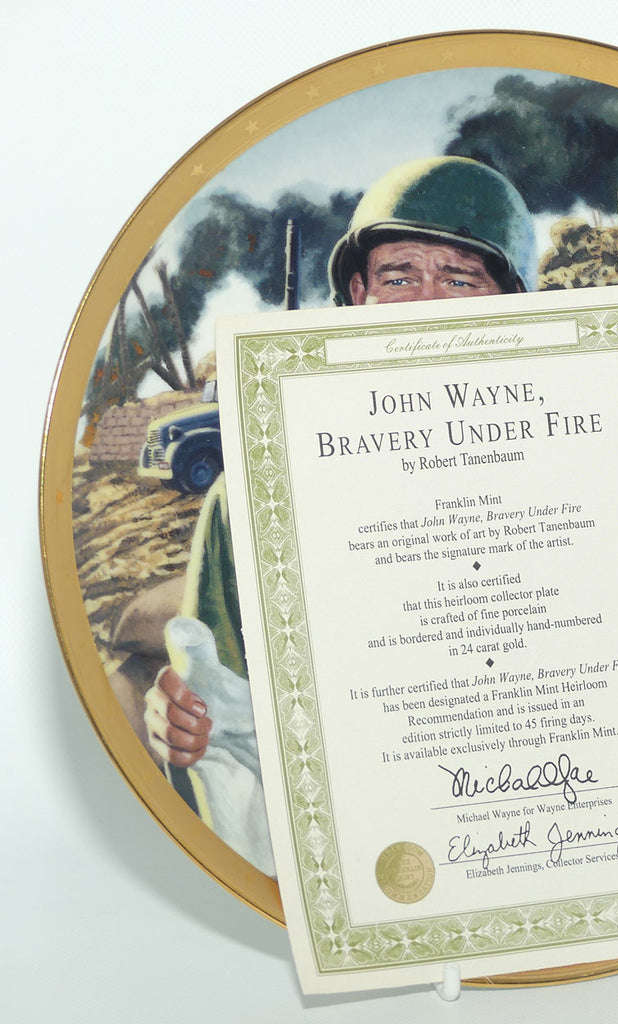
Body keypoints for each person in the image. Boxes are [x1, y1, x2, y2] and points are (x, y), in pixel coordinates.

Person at [143, 157, 537, 871]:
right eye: (398, 278)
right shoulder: (257, 500)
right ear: (358, 295)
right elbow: (226, 709)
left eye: (460, 280)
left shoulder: (593, 471)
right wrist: (193, 727)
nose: (423, 306)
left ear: (511, 302)